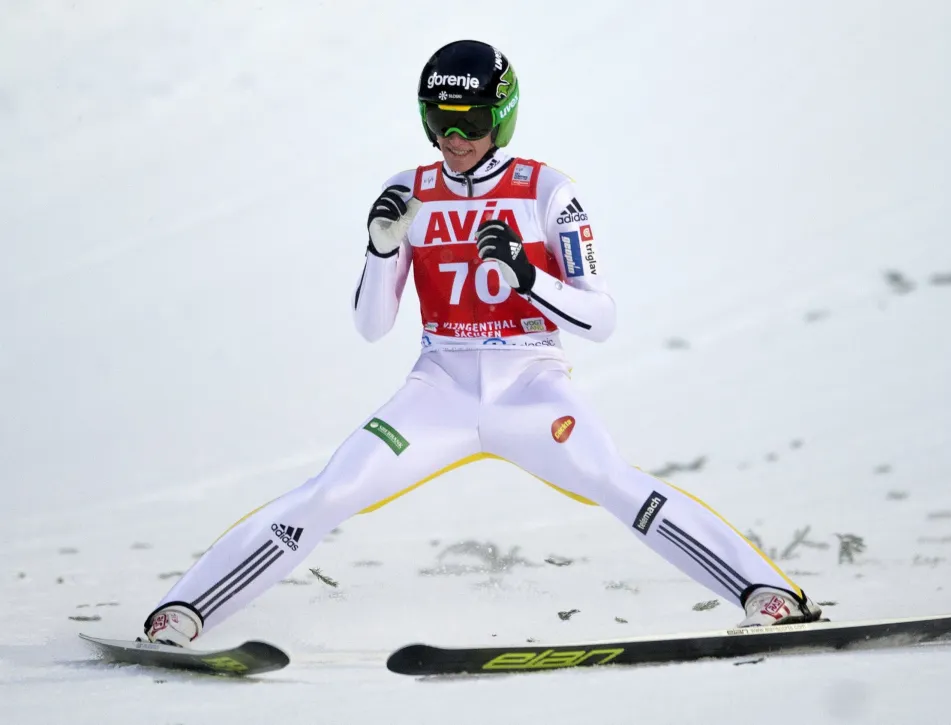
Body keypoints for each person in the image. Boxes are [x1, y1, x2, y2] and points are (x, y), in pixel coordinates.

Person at [141, 39, 822, 647]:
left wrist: (528, 277)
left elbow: (601, 319)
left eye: (467, 121)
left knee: (613, 481)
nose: (453, 137)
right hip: (438, 390)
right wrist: (381, 250)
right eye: (437, 120)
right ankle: (182, 610)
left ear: (501, 115)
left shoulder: (548, 192)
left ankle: (770, 595)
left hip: (530, 385)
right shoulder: (406, 190)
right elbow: (372, 326)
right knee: (334, 487)